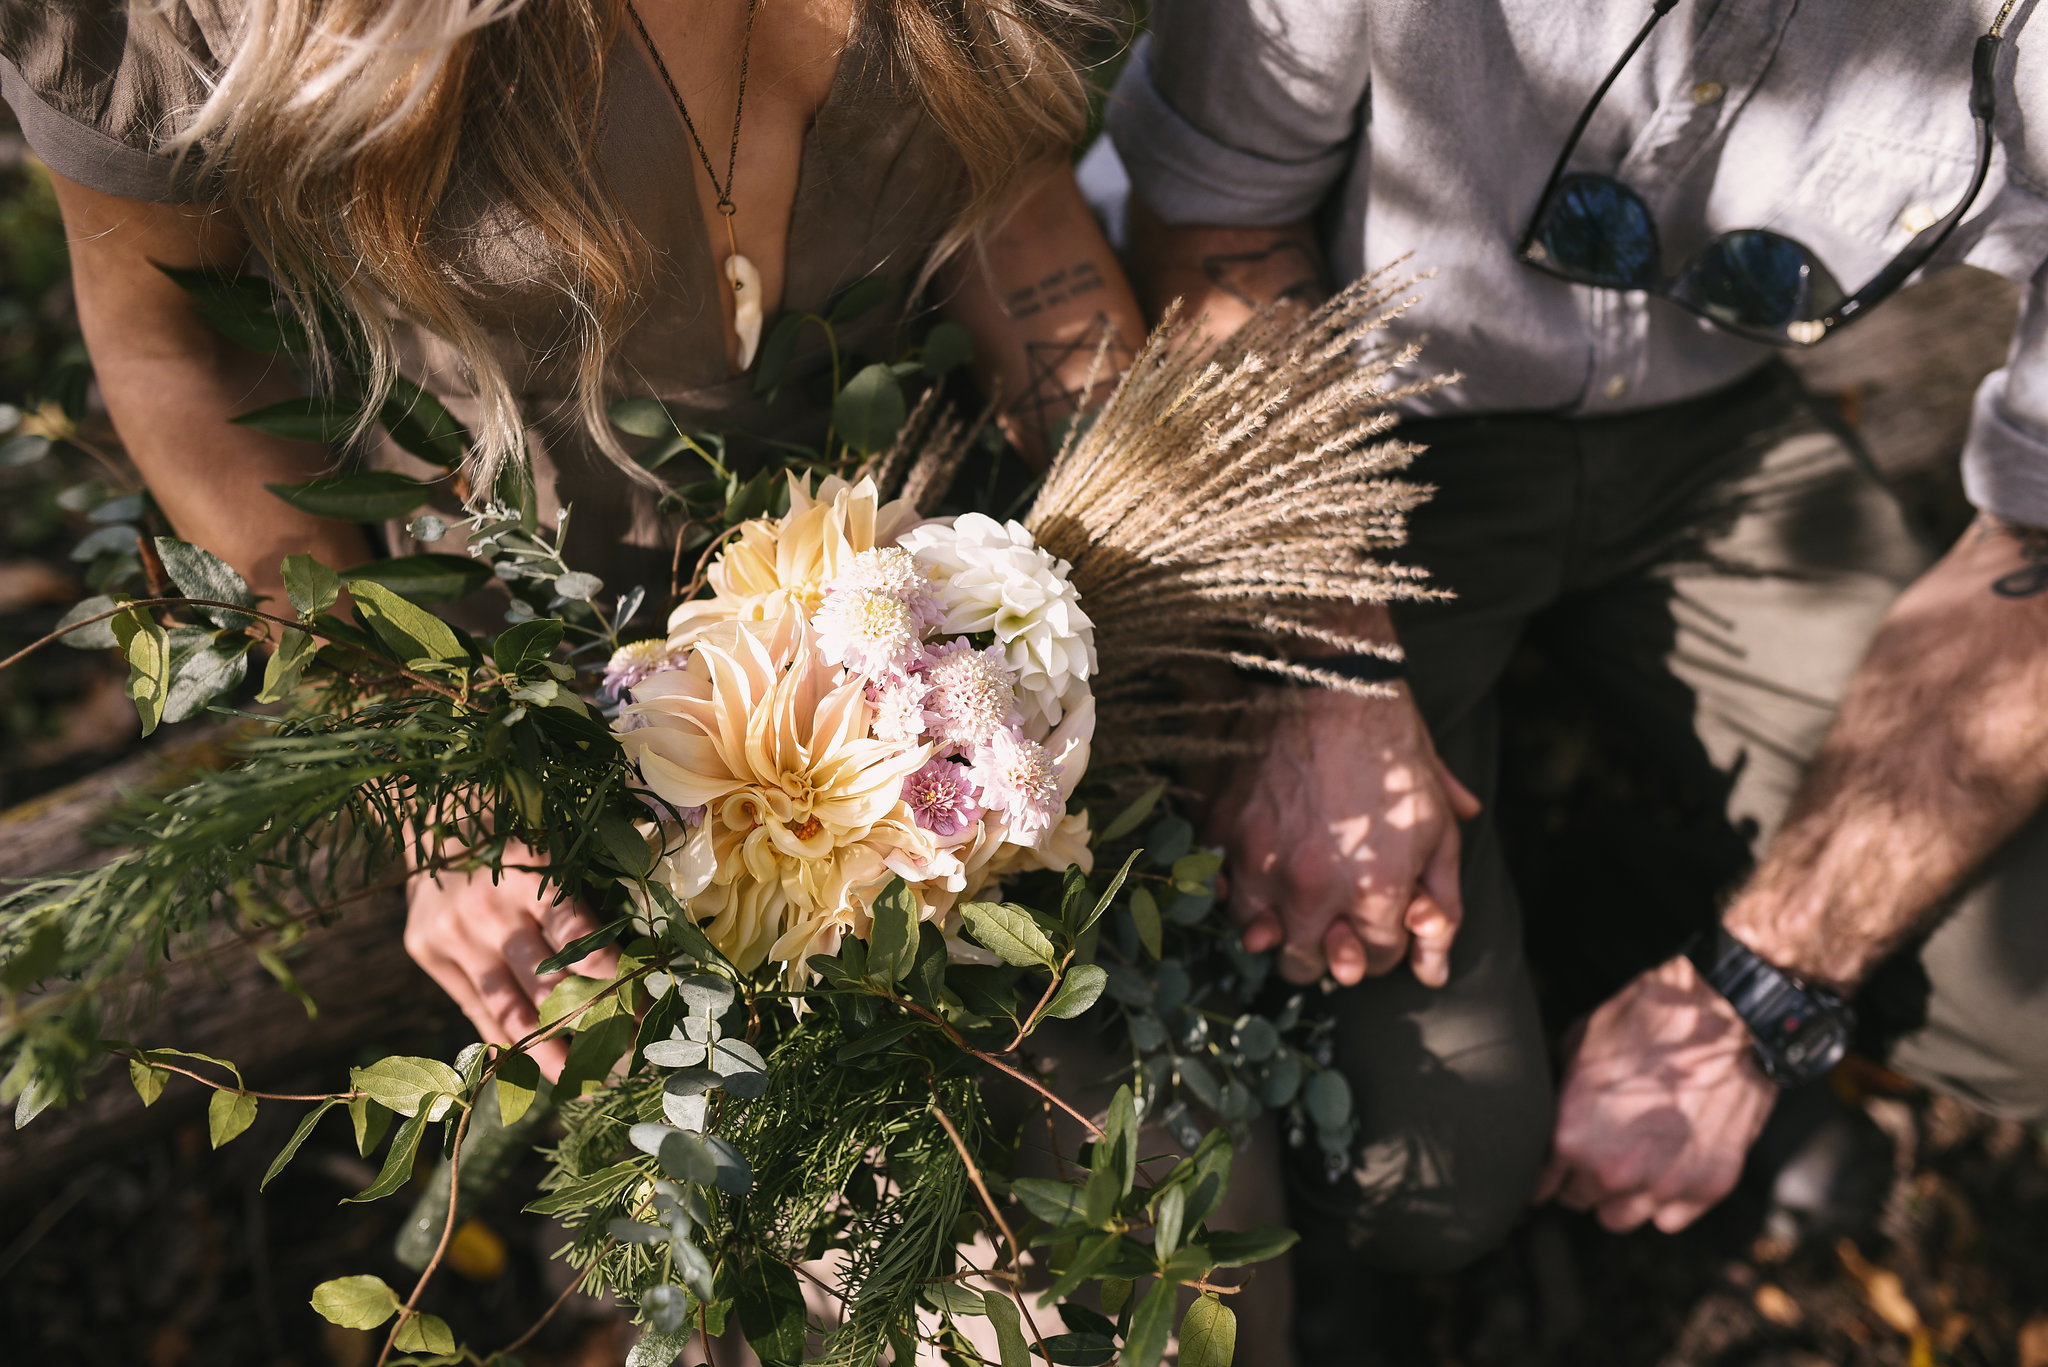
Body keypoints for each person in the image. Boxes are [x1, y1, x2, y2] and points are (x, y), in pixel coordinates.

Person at [1, 0, 1146, 1077]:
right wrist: (421, 758)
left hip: (973, 622)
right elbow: (173, 347)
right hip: (533, 726)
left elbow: (1020, 215)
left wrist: (1126, 589)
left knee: (1187, 1172)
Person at [1112, 0, 2048, 1294]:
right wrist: (1325, 671)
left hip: (1713, 424)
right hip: (1361, 406)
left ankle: (1635, 921)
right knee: (1420, 1177)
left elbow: (2040, 550)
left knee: (2035, 1000)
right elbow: (1211, 224)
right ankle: (1541, 965)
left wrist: (1759, 990)